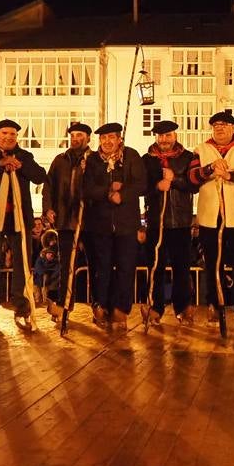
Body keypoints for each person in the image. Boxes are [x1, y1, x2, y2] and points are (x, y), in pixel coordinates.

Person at [188, 112, 234, 327]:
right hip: (210, 216)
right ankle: (214, 304)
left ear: (233, 128)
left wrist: (230, 176)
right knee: (212, 263)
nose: (219, 128)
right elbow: (192, 177)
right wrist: (210, 169)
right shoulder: (201, 149)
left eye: (224, 125)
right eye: (215, 125)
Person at [81, 122, 146, 332]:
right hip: (99, 225)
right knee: (102, 268)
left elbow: (141, 184)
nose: (107, 142)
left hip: (126, 225)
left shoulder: (131, 156)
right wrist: (108, 192)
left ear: (119, 139)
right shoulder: (92, 160)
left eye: (111, 137)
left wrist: (123, 193)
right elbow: (87, 188)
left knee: (126, 268)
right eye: (103, 138)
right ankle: (101, 305)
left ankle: (121, 308)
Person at [0, 119, 47, 331]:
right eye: (4, 133)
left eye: (13, 134)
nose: (9, 137)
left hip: (19, 219)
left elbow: (40, 177)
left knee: (22, 264)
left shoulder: (24, 156)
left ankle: (22, 306)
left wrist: (22, 166)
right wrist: (0, 166)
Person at [142, 119, 198, 326]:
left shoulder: (188, 157)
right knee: (155, 266)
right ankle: (155, 306)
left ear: (175, 135)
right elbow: (141, 187)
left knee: (181, 267)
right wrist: (157, 186)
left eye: (168, 135)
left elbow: (194, 185)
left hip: (181, 222)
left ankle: (183, 307)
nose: (164, 140)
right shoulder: (147, 159)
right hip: (157, 223)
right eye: (160, 136)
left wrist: (174, 180)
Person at [41, 122, 92, 318]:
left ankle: (97, 304)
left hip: (89, 222)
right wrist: (48, 208)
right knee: (65, 266)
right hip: (65, 220)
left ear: (87, 138)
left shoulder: (94, 160)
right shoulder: (60, 160)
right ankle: (64, 303)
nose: (75, 138)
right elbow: (48, 185)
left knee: (94, 264)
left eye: (80, 135)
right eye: (73, 135)